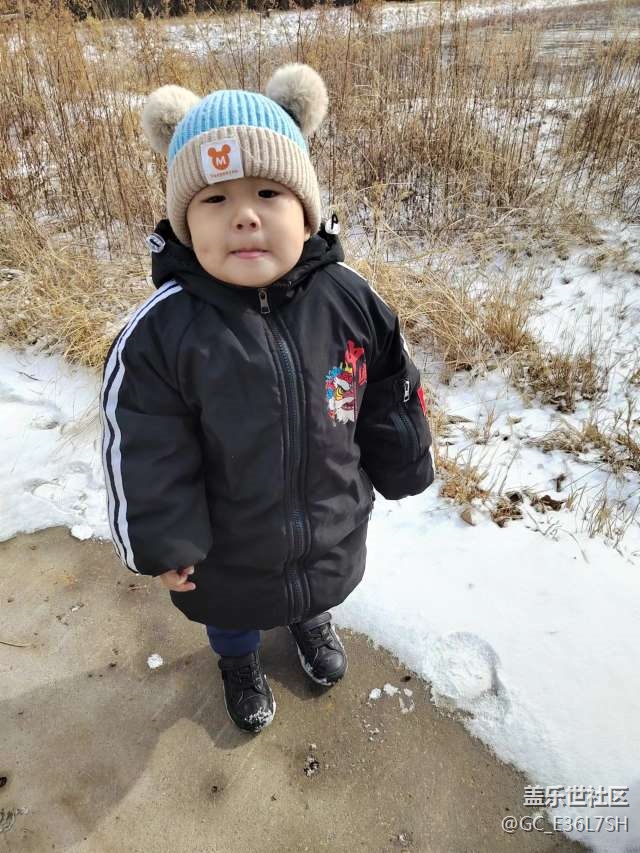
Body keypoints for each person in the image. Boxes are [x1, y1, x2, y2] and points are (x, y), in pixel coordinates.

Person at [100, 63, 434, 734]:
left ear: (305, 211)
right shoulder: (163, 333)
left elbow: (390, 386)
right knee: (231, 611)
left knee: (313, 586)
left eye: (267, 193)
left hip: (328, 516)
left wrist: (403, 459)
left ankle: (310, 622)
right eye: (214, 200)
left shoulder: (349, 299)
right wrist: (164, 539)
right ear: (185, 223)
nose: (244, 215)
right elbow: (143, 443)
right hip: (226, 544)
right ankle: (238, 659)